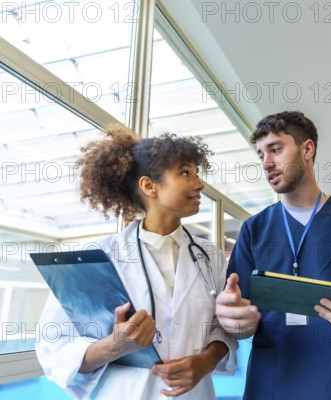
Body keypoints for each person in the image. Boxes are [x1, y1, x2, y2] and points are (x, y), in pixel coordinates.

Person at [36, 127, 237, 399]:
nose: (199, 183)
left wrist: (207, 361)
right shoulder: (99, 255)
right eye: (185, 173)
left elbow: (220, 326)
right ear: (148, 185)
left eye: (197, 173)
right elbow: (54, 348)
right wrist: (114, 346)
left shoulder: (210, 256)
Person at [215, 111, 331, 399]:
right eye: (261, 154)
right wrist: (233, 321)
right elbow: (242, 318)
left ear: (307, 149)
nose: (266, 163)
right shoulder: (254, 230)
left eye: (275, 149)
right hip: (274, 384)